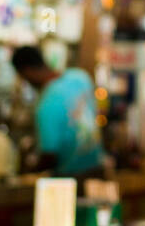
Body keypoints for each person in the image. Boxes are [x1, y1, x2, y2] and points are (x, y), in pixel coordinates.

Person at [11, 46, 102, 178]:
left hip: (69, 180)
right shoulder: (80, 77)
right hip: (97, 171)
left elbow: (49, 156)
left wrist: (28, 172)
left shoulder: (46, 105)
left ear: (27, 71)